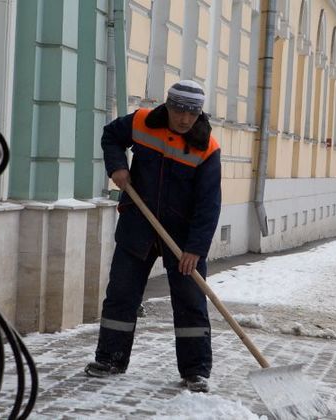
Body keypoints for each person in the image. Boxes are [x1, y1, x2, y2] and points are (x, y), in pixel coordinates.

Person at [84, 80, 221, 393]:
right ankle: (110, 358)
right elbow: (110, 136)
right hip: (138, 224)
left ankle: (195, 372)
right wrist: (117, 167)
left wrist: (196, 249)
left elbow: (208, 204)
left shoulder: (207, 148)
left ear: (200, 113)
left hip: (183, 237)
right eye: (179, 110)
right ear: (168, 105)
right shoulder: (142, 122)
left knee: (190, 303)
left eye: (192, 113)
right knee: (121, 294)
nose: (185, 119)